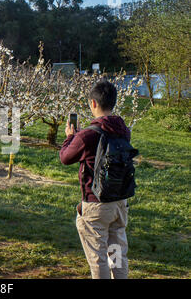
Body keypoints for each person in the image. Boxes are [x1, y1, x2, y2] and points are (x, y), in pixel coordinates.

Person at [59, 80, 131, 279]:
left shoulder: (87, 135)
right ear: (113, 102)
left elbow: (65, 158)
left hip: (96, 205)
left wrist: (70, 137)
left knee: (98, 257)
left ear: (93, 103)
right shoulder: (124, 131)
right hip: (119, 203)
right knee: (117, 254)